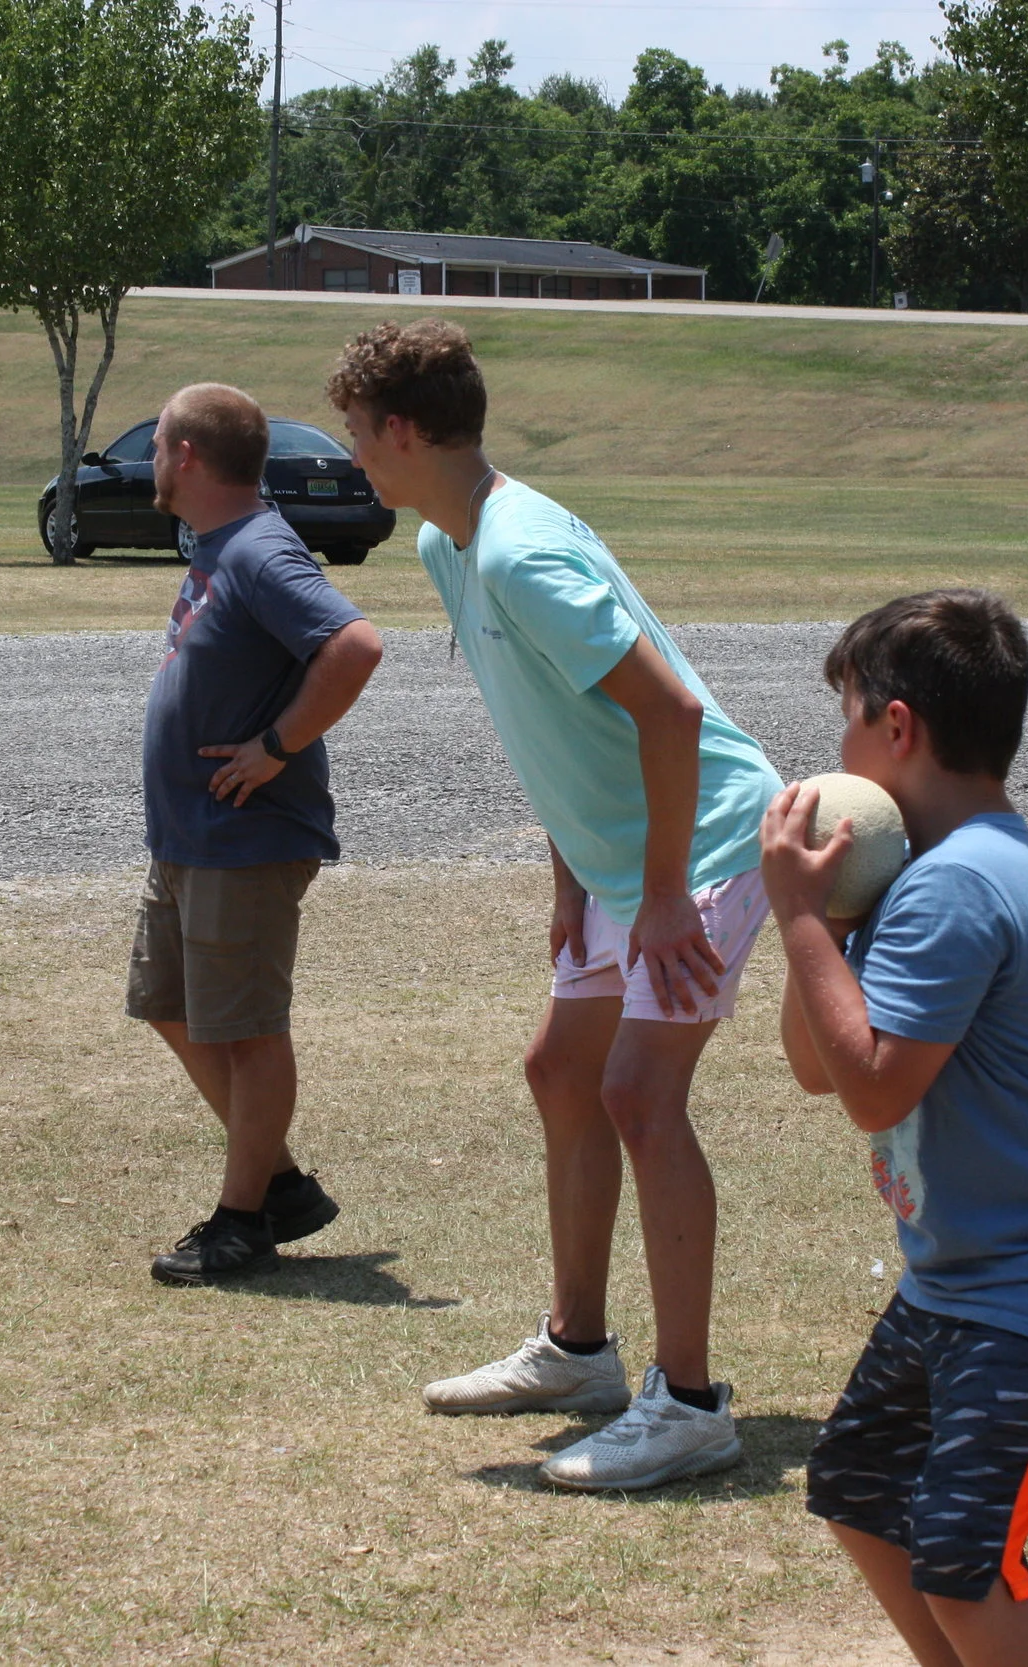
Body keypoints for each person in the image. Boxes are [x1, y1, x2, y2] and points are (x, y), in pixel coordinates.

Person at [327, 319, 783, 1492]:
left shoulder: (519, 550)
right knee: (561, 1071)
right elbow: (545, 718)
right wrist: (572, 876)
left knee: (637, 1090)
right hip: (620, 866)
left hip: (709, 842)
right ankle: (578, 1351)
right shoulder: (447, 542)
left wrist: (668, 892)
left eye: (358, 436)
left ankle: (686, 1405)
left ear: (406, 429)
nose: (354, 461)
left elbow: (670, 714)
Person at [756, 590, 1028, 1667]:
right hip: (964, 1273)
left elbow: (872, 1090)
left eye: (846, 718)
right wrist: (830, 922)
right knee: (858, 1490)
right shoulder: (922, 877)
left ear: (896, 728)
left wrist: (797, 916)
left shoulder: (955, 885)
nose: (833, 749)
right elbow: (815, 1063)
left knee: (964, 1559)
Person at [129, 383, 385, 1285]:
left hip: (246, 836)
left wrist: (277, 746)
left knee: (247, 1031)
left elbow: (353, 644)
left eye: (157, 443)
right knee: (170, 1006)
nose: (151, 460)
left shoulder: (261, 549)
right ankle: (276, 1182)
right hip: (193, 834)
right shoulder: (219, 547)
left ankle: (242, 1220)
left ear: (188, 456)